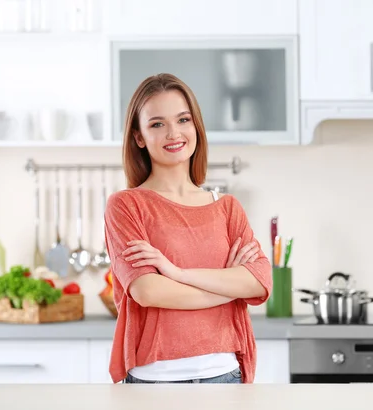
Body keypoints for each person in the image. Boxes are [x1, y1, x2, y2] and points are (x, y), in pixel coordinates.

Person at [103, 73, 272, 384]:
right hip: (154, 383)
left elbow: (259, 283)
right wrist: (227, 288)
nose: (173, 133)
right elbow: (147, 291)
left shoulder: (227, 207)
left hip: (225, 377)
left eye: (183, 120)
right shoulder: (126, 206)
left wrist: (175, 272)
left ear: (196, 127)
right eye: (157, 124)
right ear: (139, 137)